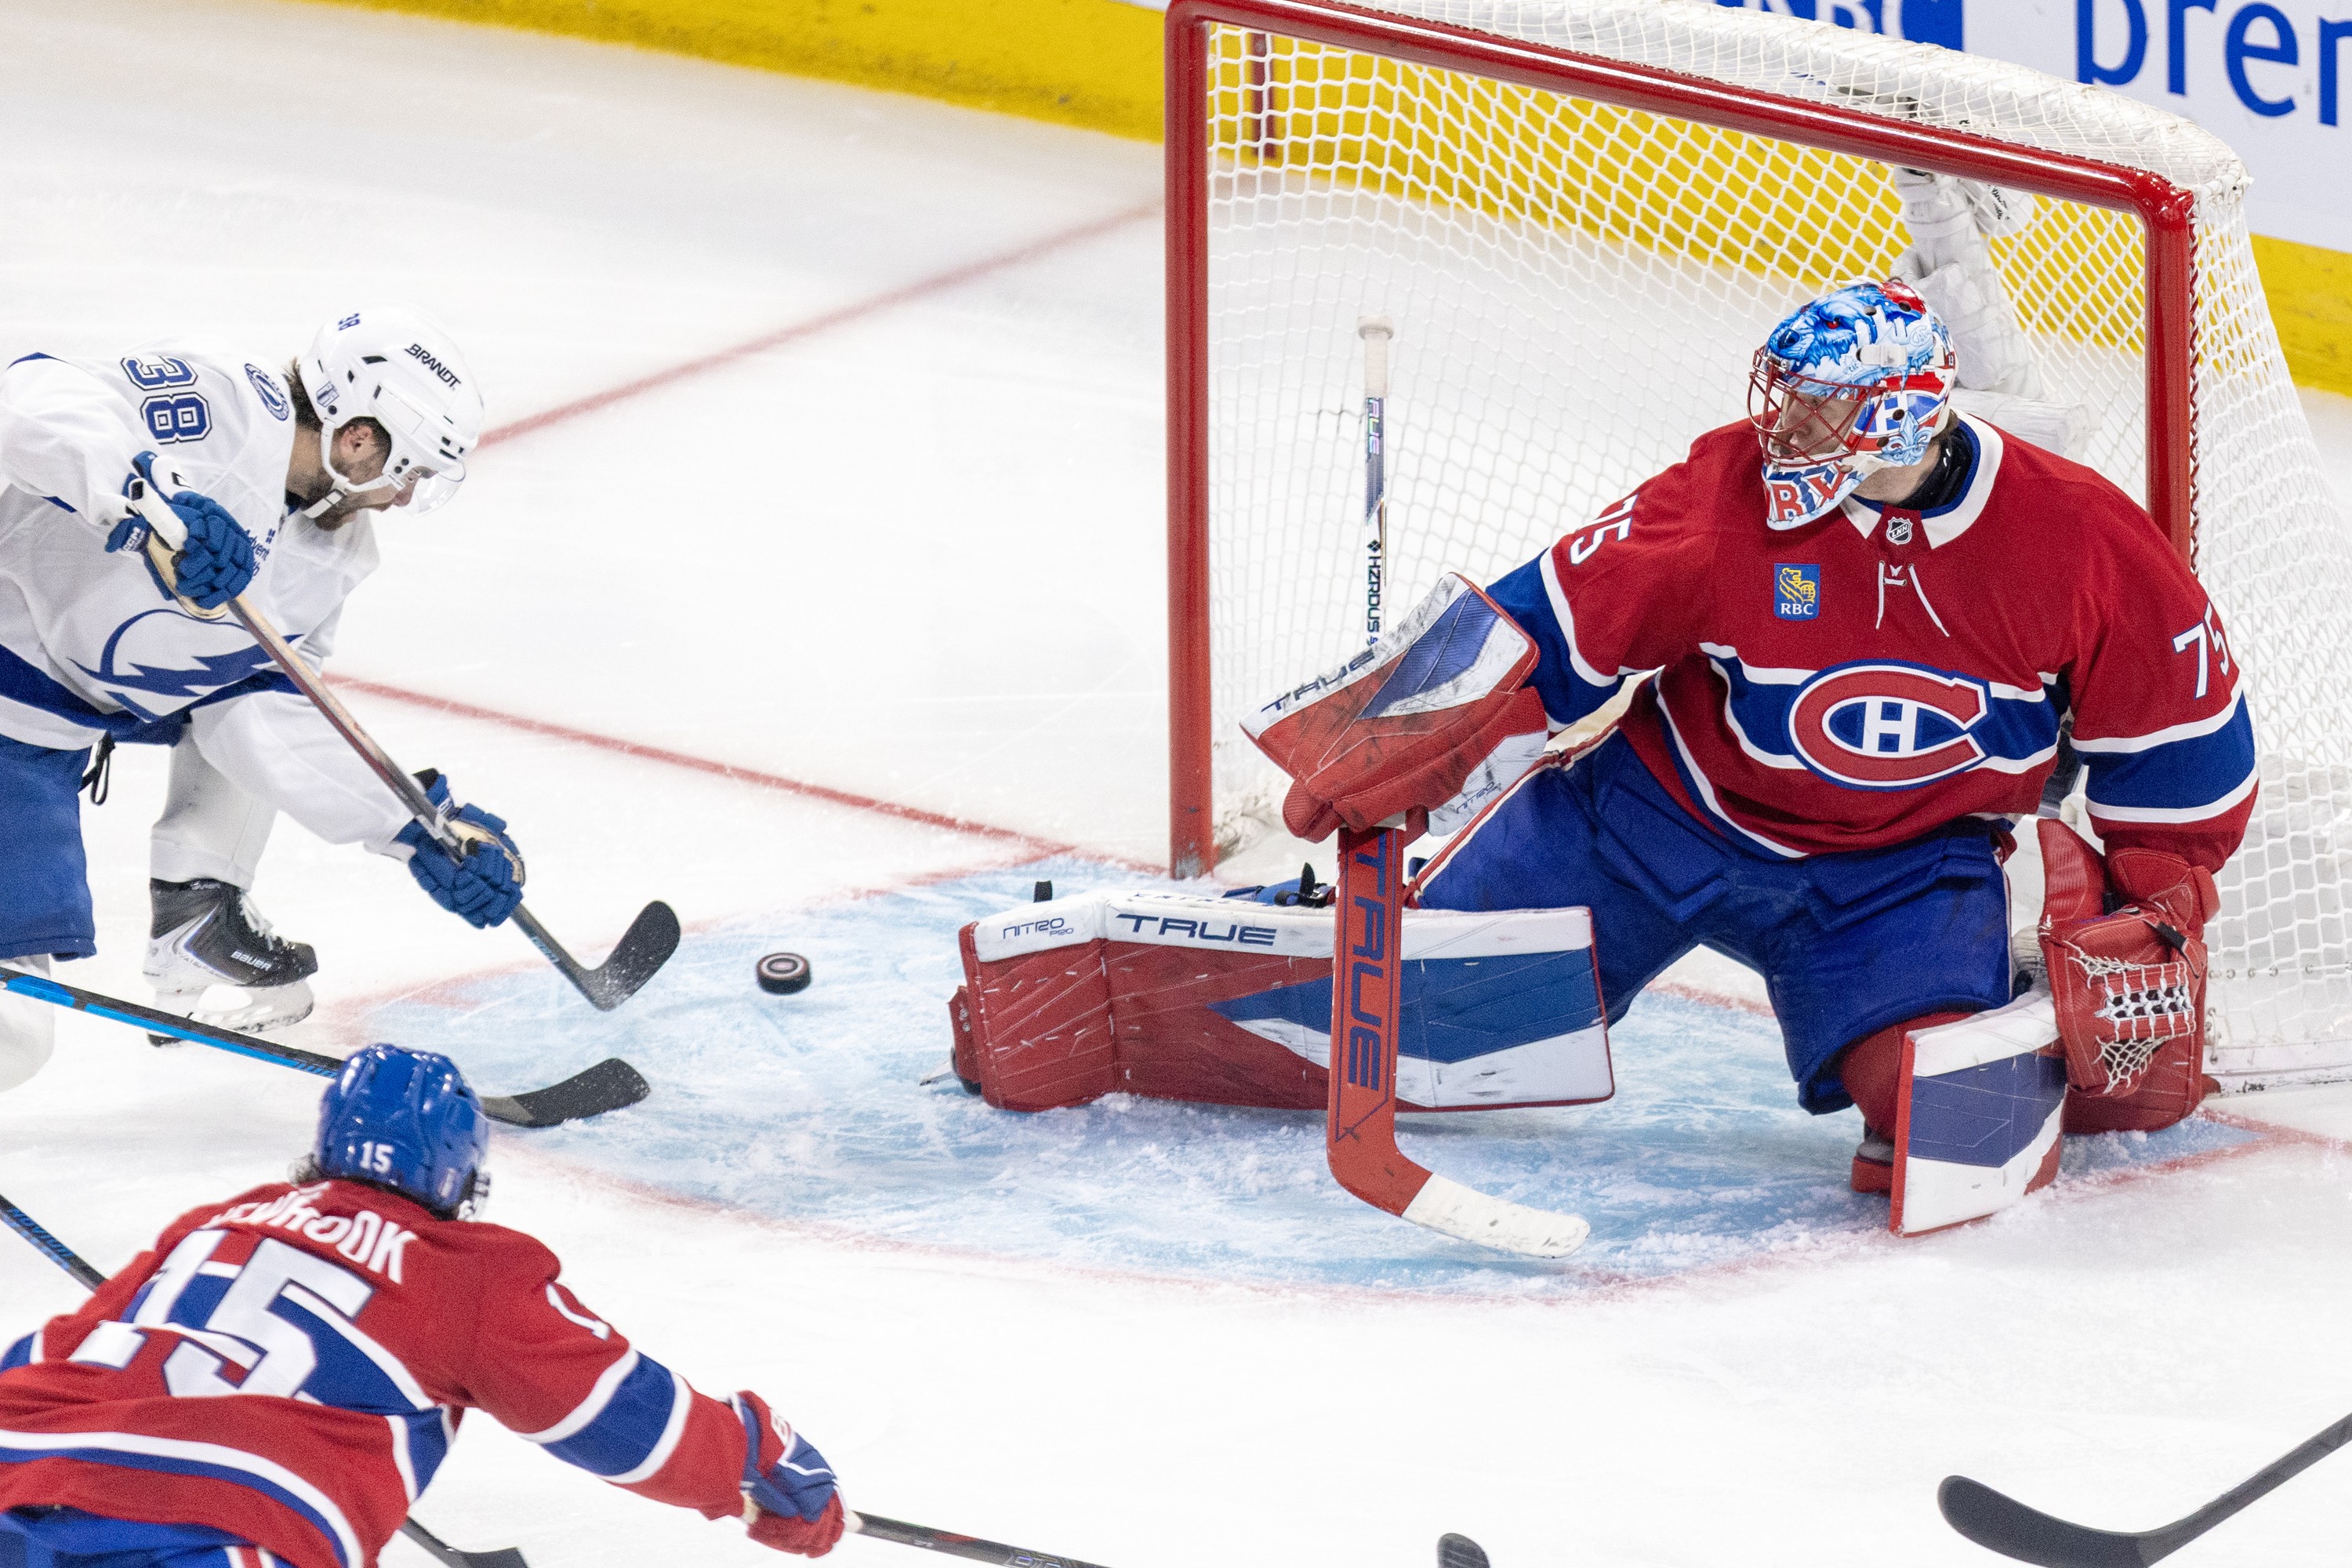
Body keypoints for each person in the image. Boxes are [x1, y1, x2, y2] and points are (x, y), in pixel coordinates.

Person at [1264, 277, 2256, 1207]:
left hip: (1897, 877)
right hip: (1657, 820)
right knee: (1413, 1018)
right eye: (1785, 396)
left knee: (1949, 1126)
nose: (1783, 425)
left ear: (1899, 418)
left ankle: (2006, 1026)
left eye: (1819, 405)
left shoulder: (2078, 536)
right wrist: (1391, 731)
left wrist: (2159, 890)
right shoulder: (1723, 494)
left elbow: (2179, 726)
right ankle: (1280, 926)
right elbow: (1549, 624)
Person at [0, 1044, 845, 1568]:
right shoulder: (466, 1270)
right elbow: (620, 1414)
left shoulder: (222, 1217)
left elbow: (62, 1342)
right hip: (214, 1524)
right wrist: (755, 1454)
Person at [0, 308, 526, 1087]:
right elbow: (28, 398)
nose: (401, 498)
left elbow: (263, 713)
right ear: (358, 437)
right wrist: (147, 496)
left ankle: (197, 904)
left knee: (16, 1031)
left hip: (37, 741)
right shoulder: (227, 407)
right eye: (405, 472)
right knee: (15, 1031)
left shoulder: (331, 551)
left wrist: (415, 826)